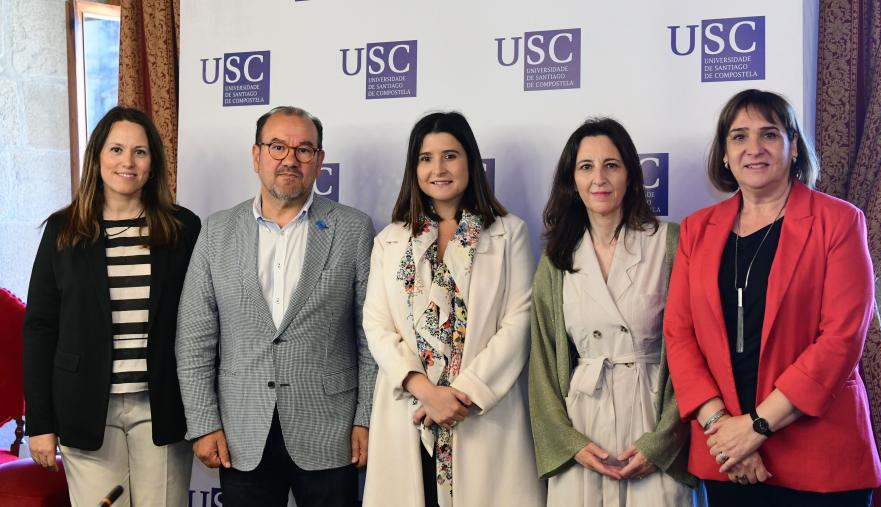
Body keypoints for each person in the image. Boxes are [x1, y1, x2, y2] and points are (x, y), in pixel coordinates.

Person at [664, 89, 881, 506]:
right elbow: (679, 334)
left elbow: (841, 340)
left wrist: (755, 427)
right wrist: (723, 428)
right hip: (729, 457)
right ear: (725, 154)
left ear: (793, 146)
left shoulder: (839, 222)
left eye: (769, 134)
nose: (754, 149)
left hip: (820, 458)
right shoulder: (696, 230)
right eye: (739, 137)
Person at [175, 106, 376, 507]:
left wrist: (366, 418)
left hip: (331, 432)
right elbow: (194, 337)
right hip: (241, 432)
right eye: (278, 147)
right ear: (256, 156)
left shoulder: (353, 228)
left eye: (304, 150)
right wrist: (202, 424)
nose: (290, 159)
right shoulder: (217, 231)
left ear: (319, 160)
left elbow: (370, 336)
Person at [362, 112, 545, 507]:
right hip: (410, 413)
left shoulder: (507, 232)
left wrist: (457, 396)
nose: (438, 169)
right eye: (426, 158)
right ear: (414, 169)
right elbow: (376, 325)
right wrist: (426, 391)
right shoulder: (389, 240)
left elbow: (519, 321)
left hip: (478, 412)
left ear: (470, 162)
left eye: (450, 155)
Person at [22, 106, 201, 506]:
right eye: (116, 149)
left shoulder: (183, 229)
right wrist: (40, 424)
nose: (127, 162)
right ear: (98, 157)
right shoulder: (64, 230)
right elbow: (39, 329)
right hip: (85, 410)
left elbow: (203, 323)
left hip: (162, 408)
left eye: (140, 152)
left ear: (153, 163)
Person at [529, 117, 695, 506]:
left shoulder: (668, 243)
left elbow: (693, 350)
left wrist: (662, 442)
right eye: (586, 167)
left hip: (651, 417)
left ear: (632, 176)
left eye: (611, 165)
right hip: (584, 424)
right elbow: (542, 362)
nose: (599, 178)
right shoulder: (556, 259)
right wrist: (568, 442)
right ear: (572, 181)